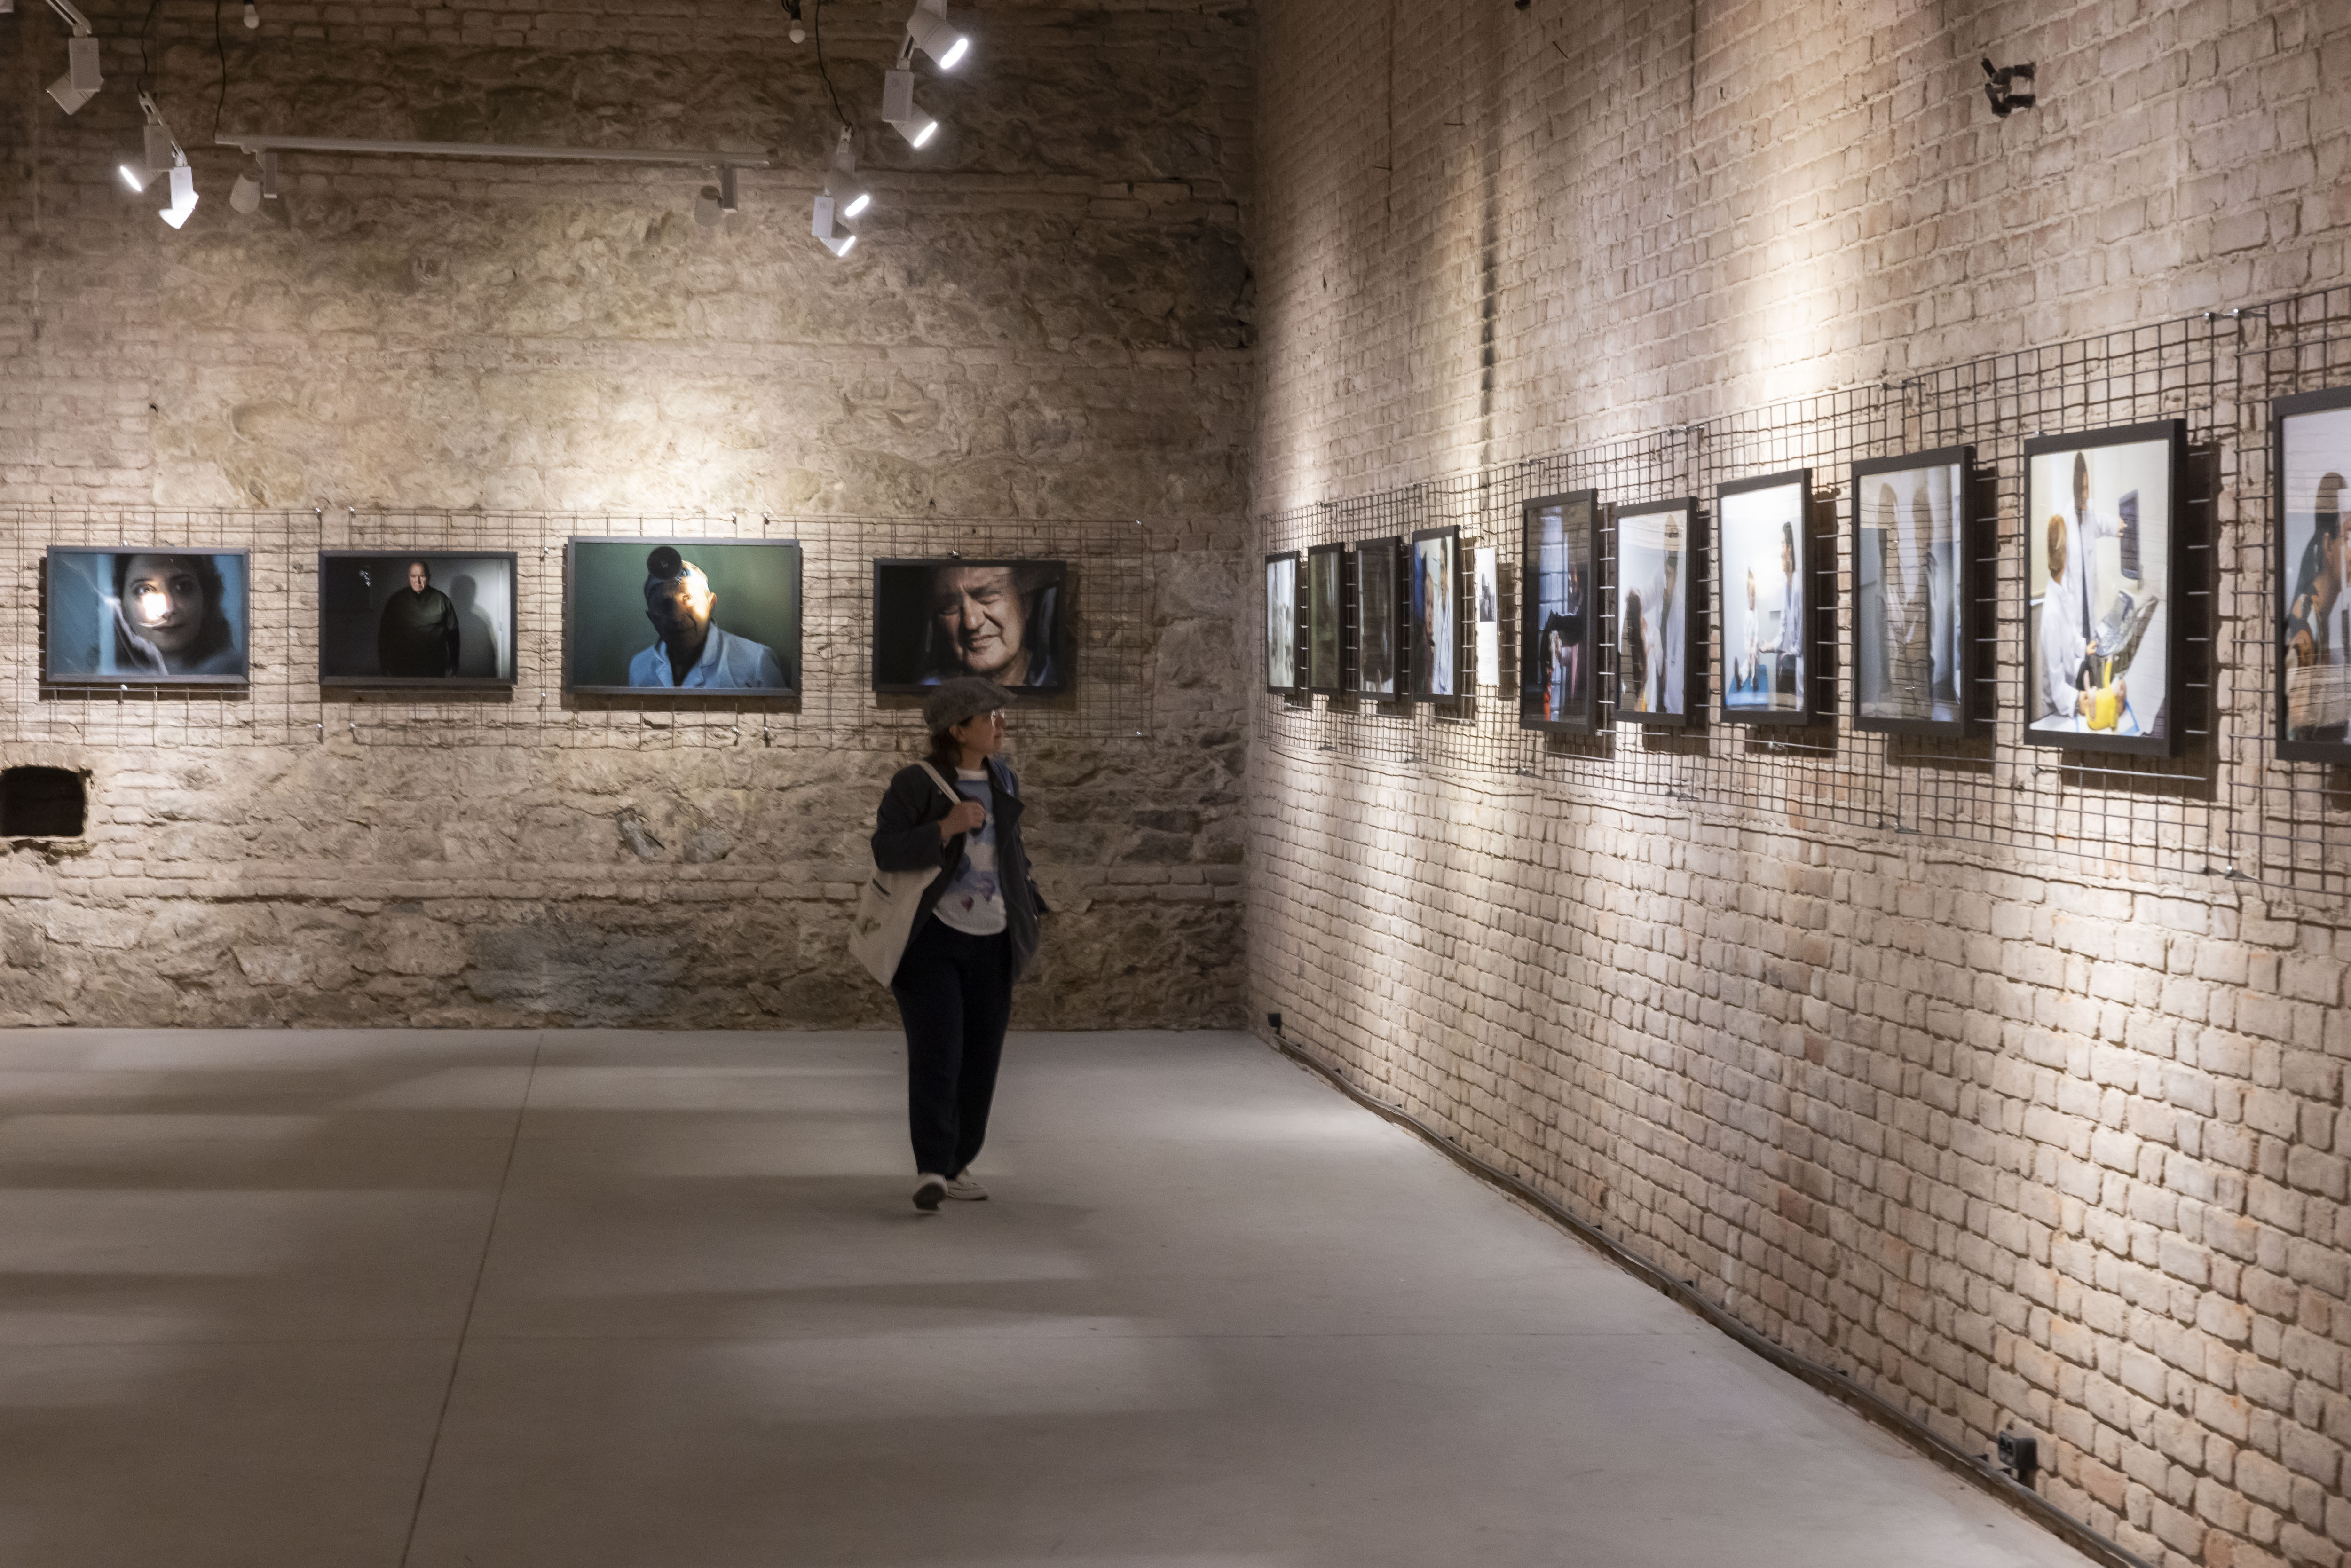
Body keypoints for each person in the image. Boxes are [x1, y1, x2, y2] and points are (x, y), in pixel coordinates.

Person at [869, 677, 1045, 1213]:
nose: (1000, 724)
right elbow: (886, 850)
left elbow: (1009, 851)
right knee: (937, 1053)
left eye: (999, 715)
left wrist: (1028, 901)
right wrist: (944, 828)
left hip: (994, 938)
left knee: (981, 1058)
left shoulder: (1003, 777)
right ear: (958, 730)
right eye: (988, 716)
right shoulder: (915, 784)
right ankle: (931, 1167)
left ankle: (958, 1161)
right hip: (931, 940)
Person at [627, 546, 787, 689]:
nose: (677, 617)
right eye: (665, 605)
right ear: (653, 619)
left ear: (711, 604)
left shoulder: (756, 662)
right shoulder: (640, 666)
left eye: (688, 598)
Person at [922, 564, 1059, 687]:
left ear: (1025, 603)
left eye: (987, 596)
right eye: (950, 605)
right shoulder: (930, 692)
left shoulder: (1060, 682)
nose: (971, 623)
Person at [2287, 472, 2349, 740]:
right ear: (2328, 546)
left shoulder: (2320, 616)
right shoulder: (2306, 625)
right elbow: (2299, 725)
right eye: (2350, 536)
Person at [111, 552, 241, 676]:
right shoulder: (108, 677)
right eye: (144, 590)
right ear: (122, 607)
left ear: (206, 598)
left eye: (183, 587)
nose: (167, 610)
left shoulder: (236, 671)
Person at [2039, 512, 2114, 722]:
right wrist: (2084, 700)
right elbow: (2057, 687)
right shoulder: (2051, 613)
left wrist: (2084, 648)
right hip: (2057, 709)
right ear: (2064, 553)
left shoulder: (2062, 591)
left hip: (2068, 693)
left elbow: (2069, 634)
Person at [377, 559, 461, 678]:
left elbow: (454, 637)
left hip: (435, 667)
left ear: (429, 577)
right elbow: (384, 636)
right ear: (409, 577)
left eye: (422, 576)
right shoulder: (396, 601)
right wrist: (384, 665)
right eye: (413, 576)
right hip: (402, 668)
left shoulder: (442, 600)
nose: (418, 581)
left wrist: (454, 664)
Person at [1620, 589, 1649, 712]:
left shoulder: (1634, 644)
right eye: (1641, 611)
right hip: (1634, 707)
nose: (1644, 617)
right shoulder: (1632, 649)